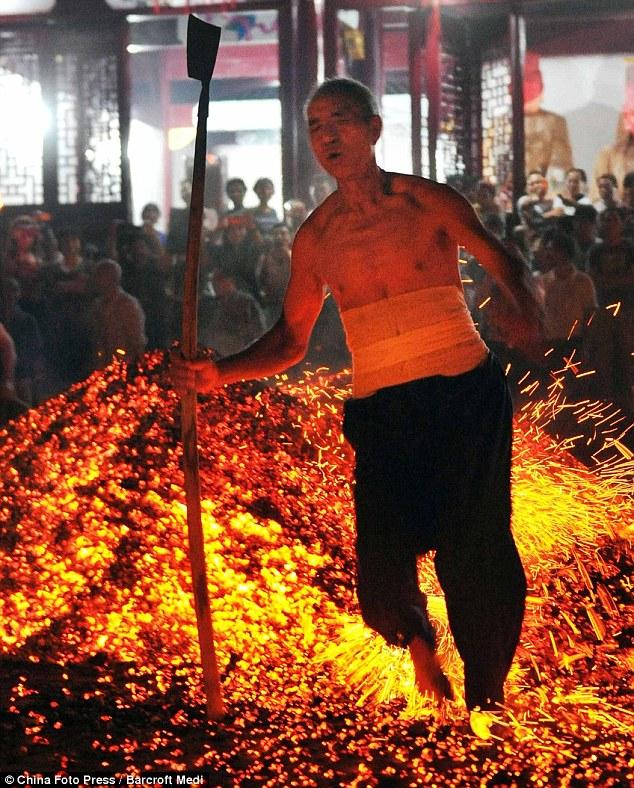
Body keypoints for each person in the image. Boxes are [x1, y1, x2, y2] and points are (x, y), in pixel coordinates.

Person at [171, 78, 542, 738]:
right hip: (383, 413)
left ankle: (487, 698)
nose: (328, 135)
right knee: (379, 561)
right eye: (316, 126)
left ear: (373, 128)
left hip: (463, 396)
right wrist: (217, 373)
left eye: (340, 120)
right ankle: (422, 646)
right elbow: (290, 339)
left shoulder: (425, 201)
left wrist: (523, 308)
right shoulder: (317, 239)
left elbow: (499, 258)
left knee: (474, 548)